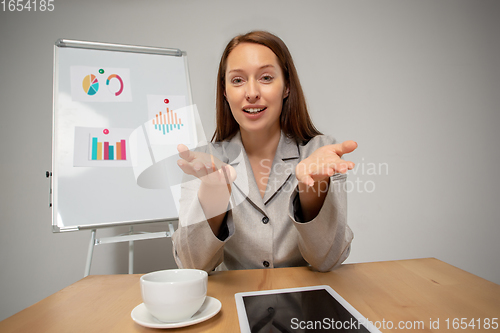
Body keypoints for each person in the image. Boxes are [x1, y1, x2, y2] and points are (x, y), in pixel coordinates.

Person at [172, 30, 357, 273]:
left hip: (303, 302)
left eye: (266, 77)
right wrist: (213, 195)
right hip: (234, 302)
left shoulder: (319, 153)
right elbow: (192, 266)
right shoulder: (205, 162)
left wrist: (311, 192)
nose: (251, 93)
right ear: (225, 92)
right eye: (237, 80)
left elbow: (328, 259)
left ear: (287, 87)